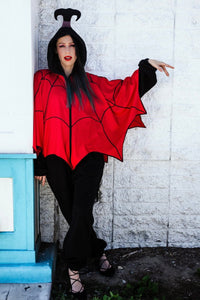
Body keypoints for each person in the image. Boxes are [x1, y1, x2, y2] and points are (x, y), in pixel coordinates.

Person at [33, 8, 174, 299]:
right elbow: (37, 120)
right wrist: (40, 162)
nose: (67, 50)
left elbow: (123, 92)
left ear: (79, 50)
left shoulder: (93, 83)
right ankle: (97, 250)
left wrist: (145, 66)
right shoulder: (43, 81)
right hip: (56, 159)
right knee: (75, 214)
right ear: (54, 51)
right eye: (62, 45)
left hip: (90, 158)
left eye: (72, 45)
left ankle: (72, 268)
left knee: (82, 209)